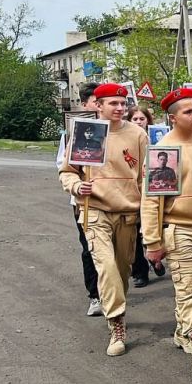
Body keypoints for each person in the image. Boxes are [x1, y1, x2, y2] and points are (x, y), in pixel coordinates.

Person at [59, 83, 148, 356]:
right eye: (113, 104)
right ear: (98, 105)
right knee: (106, 266)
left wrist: (150, 211)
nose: (120, 108)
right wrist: (76, 186)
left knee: (121, 271)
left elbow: (146, 177)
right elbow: (68, 171)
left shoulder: (137, 134)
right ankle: (116, 323)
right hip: (94, 210)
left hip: (128, 212)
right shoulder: (86, 133)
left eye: (123, 104)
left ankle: (116, 306)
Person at [141, 88, 192, 375]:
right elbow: (151, 202)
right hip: (179, 228)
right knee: (188, 289)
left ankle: (183, 328)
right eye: (188, 112)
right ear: (172, 118)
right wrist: (152, 241)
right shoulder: (165, 151)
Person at [56, 82, 102, 317]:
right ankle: (95, 295)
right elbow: (63, 167)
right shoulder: (73, 132)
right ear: (86, 104)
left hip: (112, 203)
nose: (100, 106)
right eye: (97, 101)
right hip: (83, 202)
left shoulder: (117, 131)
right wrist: (77, 185)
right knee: (89, 247)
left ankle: (113, 289)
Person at [126, 106, 159, 288]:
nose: (139, 122)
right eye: (135, 119)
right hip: (135, 193)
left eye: (142, 119)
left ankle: (156, 259)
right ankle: (140, 271)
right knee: (135, 234)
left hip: (155, 190)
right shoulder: (127, 139)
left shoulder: (159, 137)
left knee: (152, 229)